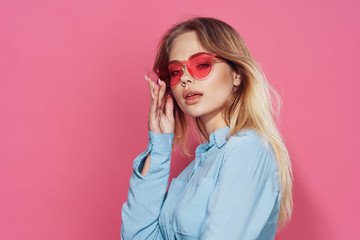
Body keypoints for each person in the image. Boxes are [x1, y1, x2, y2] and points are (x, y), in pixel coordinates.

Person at [121, 17, 293, 240]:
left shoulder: (247, 150)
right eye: (175, 71)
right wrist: (160, 145)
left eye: (201, 65)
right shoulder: (198, 166)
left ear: (236, 75)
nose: (184, 78)